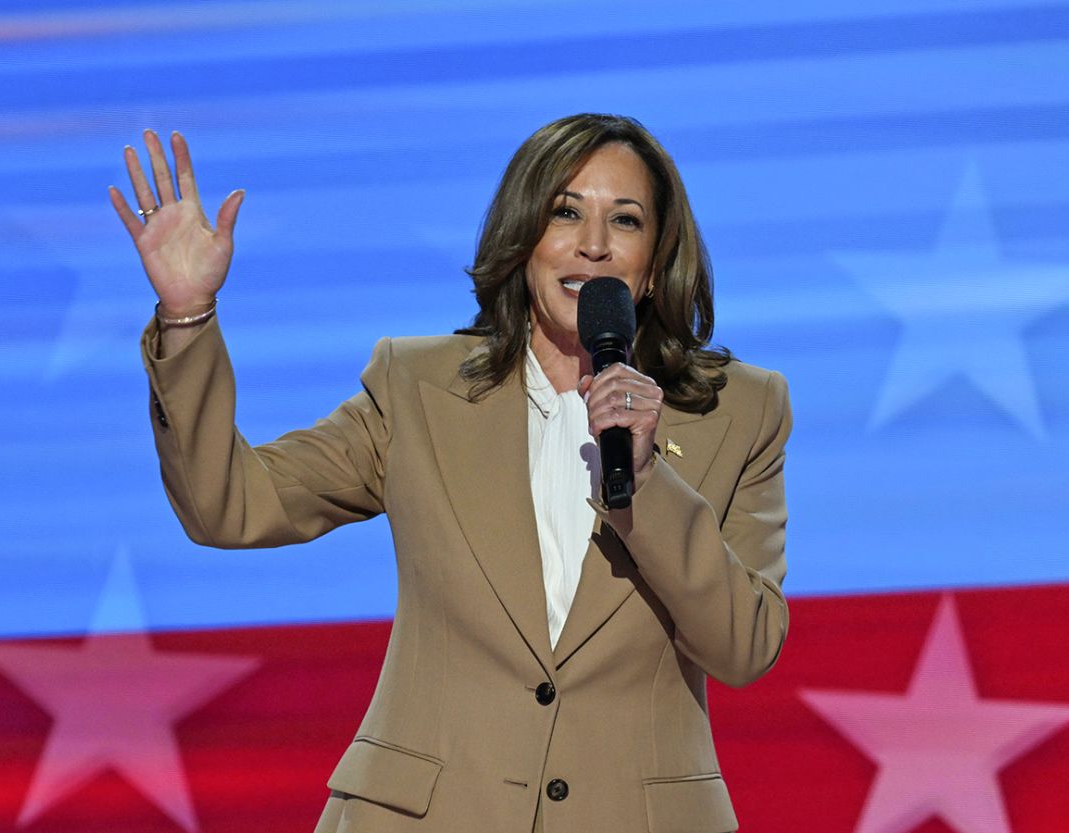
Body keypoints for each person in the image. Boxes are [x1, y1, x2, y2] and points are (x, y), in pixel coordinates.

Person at [109, 113, 792, 833]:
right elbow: (231, 504)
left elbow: (743, 647)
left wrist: (646, 479)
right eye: (565, 212)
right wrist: (188, 319)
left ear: (654, 263)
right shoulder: (416, 389)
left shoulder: (740, 411)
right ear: (524, 237)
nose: (592, 244)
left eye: (624, 220)